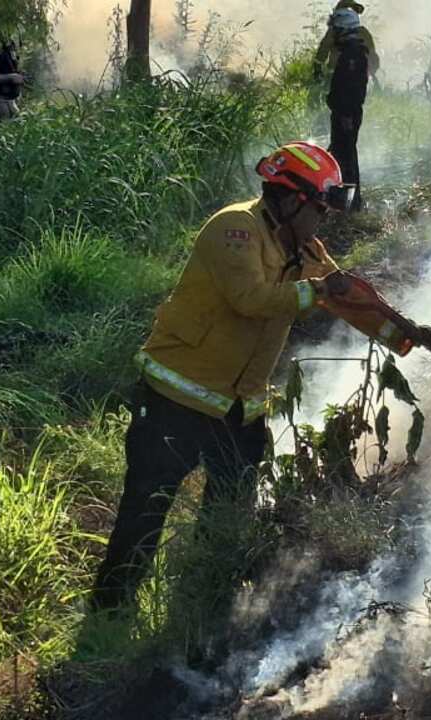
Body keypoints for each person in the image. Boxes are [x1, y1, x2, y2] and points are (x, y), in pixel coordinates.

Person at [88, 143, 358, 656]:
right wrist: (319, 292)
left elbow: (338, 285)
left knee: (226, 520)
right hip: (175, 397)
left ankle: (197, 616)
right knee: (145, 515)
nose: (323, 221)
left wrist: (387, 318)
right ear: (291, 199)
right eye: (319, 209)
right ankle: (107, 622)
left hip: (239, 409)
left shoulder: (298, 244)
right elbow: (250, 300)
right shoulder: (234, 229)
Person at [315, 4, 377, 210]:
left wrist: (345, 113)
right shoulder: (356, 50)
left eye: (337, 30)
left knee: (347, 158)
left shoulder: (350, 55)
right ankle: (338, 199)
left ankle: (352, 205)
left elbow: (347, 88)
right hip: (347, 111)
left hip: (346, 112)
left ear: (342, 29)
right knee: (339, 153)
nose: (334, 34)